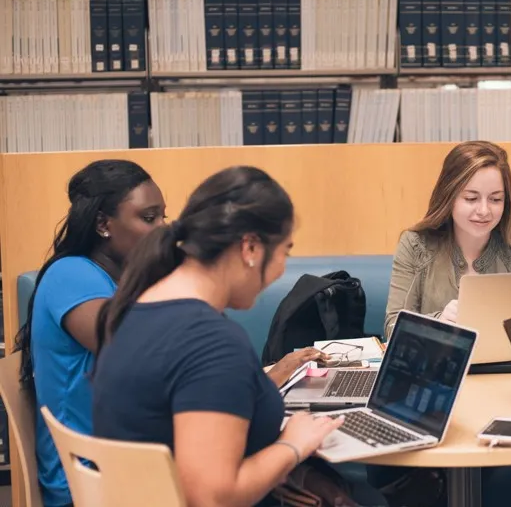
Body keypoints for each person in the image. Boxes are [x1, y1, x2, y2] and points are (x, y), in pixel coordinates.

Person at [91, 166, 376, 507]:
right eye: (285, 250)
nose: (283, 267)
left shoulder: (133, 311)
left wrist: (271, 466)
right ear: (251, 248)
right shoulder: (210, 341)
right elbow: (212, 497)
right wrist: (294, 446)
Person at [12, 159, 166, 507]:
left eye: (163, 217)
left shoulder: (120, 279)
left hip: (125, 467)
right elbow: (134, 350)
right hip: (87, 482)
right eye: (148, 218)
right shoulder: (71, 275)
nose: (162, 229)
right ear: (103, 224)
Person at [384, 140, 511, 338]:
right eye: (471, 198)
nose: (484, 211)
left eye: (495, 199)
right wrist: (437, 321)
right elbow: (392, 328)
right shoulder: (415, 246)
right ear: (448, 198)